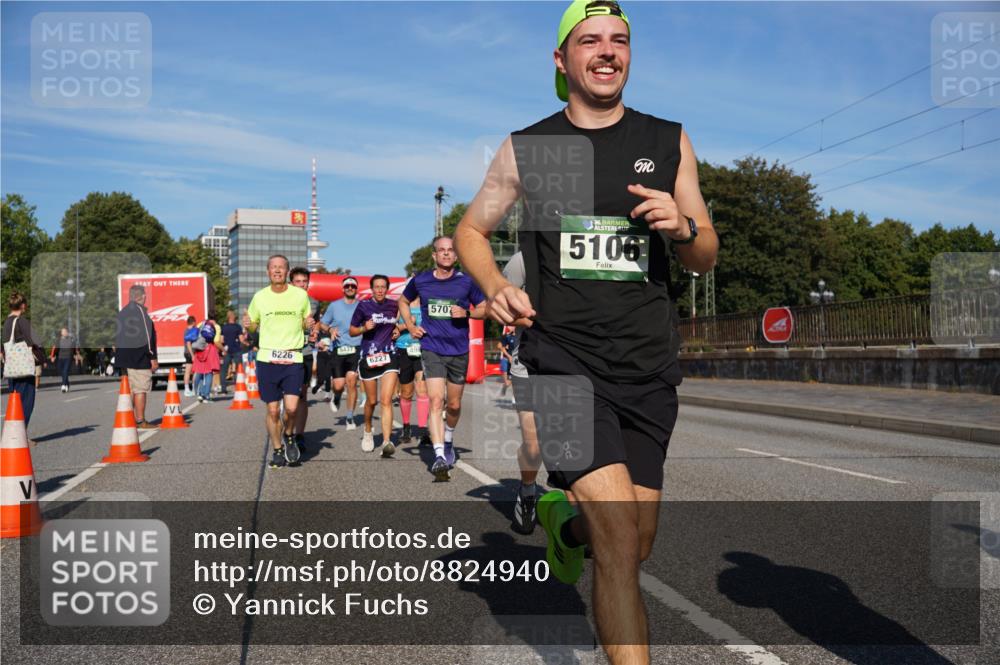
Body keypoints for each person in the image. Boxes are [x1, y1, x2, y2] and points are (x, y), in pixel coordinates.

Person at [452, 2, 719, 662]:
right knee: (621, 539)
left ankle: (563, 522)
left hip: (647, 369)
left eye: (619, 40)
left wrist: (683, 228)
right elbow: (470, 231)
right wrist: (496, 285)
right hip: (563, 366)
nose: (607, 51)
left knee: (635, 542)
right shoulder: (531, 148)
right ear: (561, 58)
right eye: (591, 40)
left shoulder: (668, 140)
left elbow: (705, 253)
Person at [398, 236, 486, 481]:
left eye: (450, 250)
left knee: (454, 405)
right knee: (436, 400)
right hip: (431, 348)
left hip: (458, 350)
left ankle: (448, 438)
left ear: (456, 256)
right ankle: (438, 455)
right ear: (434, 255)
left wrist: (467, 312)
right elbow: (403, 301)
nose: (446, 254)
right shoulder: (421, 280)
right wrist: (410, 326)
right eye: (442, 250)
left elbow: (485, 308)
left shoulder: (466, 282)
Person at [243, 255, 313, 469]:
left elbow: (305, 323)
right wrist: (248, 324)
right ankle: (277, 449)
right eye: (273, 267)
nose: (277, 270)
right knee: (273, 410)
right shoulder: (260, 297)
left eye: (281, 267)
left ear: (287, 271)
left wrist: (308, 324)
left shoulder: (300, 295)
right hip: (267, 359)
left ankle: (289, 435)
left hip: (293, 357)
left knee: (291, 409)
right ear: (268, 272)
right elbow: (253, 326)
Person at [502, 252, 541, 535]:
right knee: (534, 445)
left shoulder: (589, 251)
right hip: (528, 362)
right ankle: (528, 490)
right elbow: (501, 310)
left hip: (577, 363)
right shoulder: (523, 260)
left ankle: (582, 515)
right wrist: (532, 321)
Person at [349, 275, 400, 456]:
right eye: (376, 287)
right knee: (372, 401)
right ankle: (368, 430)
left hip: (389, 355)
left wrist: (398, 329)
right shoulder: (363, 306)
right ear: (371, 289)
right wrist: (364, 328)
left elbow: (400, 322)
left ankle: (386, 442)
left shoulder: (394, 305)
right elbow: (352, 330)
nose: (380, 290)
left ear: (387, 289)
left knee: (386, 400)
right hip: (369, 357)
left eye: (383, 287)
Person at [319, 276, 362, 430]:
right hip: (338, 348)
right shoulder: (334, 306)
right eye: (347, 286)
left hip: (356, 348)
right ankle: (336, 396)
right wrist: (330, 329)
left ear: (356, 289)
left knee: (352, 382)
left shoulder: (362, 306)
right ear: (343, 289)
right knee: (338, 385)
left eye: (353, 286)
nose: (350, 288)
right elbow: (322, 324)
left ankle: (350, 417)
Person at [2, 292, 45, 444]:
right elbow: (35, 340)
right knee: (26, 402)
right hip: (24, 369)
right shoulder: (21, 321)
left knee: (15, 402)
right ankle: (20, 436)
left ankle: (13, 435)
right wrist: (41, 356)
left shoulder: (6, 323)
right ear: (22, 305)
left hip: (12, 368)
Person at [115, 284, 160, 429]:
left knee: (129, 390)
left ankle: (128, 420)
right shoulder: (141, 312)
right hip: (138, 357)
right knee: (140, 389)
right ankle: (140, 420)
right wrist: (152, 357)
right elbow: (148, 336)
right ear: (142, 296)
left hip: (123, 358)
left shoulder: (122, 312)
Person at [290, 267, 320, 455]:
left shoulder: (314, 302)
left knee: (302, 395)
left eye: (304, 281)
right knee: (288, 397)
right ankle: (287, 432)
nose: (301, 285)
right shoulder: (284, 300)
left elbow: (316, 322)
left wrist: (315, 332)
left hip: (305, 352)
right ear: (291, 283)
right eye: (298, 281)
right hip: (287, 352)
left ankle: (299, 435)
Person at [394, 299, 429, 445]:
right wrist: (406, 325)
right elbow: (392, 329)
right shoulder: (401, 305)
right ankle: (406, 427)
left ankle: (423, 430)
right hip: (403, 350)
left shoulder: (426, 303)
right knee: (407, 392)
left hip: (422, 350)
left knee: (422, 389)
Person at [192, 313, 222, 403]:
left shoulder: (201, 324)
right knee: (209, 373)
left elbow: (195, 335)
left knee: (201, 372)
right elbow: (216, 340)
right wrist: (223, 349)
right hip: (210, 350)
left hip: (200, 349)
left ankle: (200, 394)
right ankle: (206, 396)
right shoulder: (216, 326)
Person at [219, 310, 244, 395]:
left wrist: (224, 348)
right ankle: (238, 387)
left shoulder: (224, 327)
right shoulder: (238, 327)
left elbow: (221, 340)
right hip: (237, 350)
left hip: (227, 351)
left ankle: (223, 389)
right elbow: (241, 339)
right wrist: (246, 342)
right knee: (238, 369)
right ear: (233, 317)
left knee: (224, 370)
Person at [51, 327, 76, 393]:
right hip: (60, 358)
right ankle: (67, 384)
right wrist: (53, 356)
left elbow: (74, 349)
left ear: (67, 333)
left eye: (66, 331)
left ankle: (63, 385)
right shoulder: (58, 340)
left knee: (65, 371)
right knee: (62, 372)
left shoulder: (71, 340)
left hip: (68, 357)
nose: (65, 333)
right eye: (63, 332)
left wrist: (75, 355)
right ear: (61, 333)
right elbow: (55, 348)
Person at [497, 326, 516, 398]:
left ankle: (514, 398)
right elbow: (499, 346)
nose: (510, 327)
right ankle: (505, 385)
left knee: (513, 381)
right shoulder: (506, 336)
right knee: (507, 382)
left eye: (512, 326)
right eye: (509, 326)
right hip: (505, 359)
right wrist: (505, 347)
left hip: (515, 361)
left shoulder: (518, 336)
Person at [182, 316, 198, 396]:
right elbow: (188, 344)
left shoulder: (186, 330)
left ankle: (187, 388)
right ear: (193, 322)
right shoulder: (191, 331)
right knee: (194, 371)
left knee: (188, 371)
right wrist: (192, 355)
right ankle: (193, 388)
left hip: (186, 352)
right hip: (190, 353)